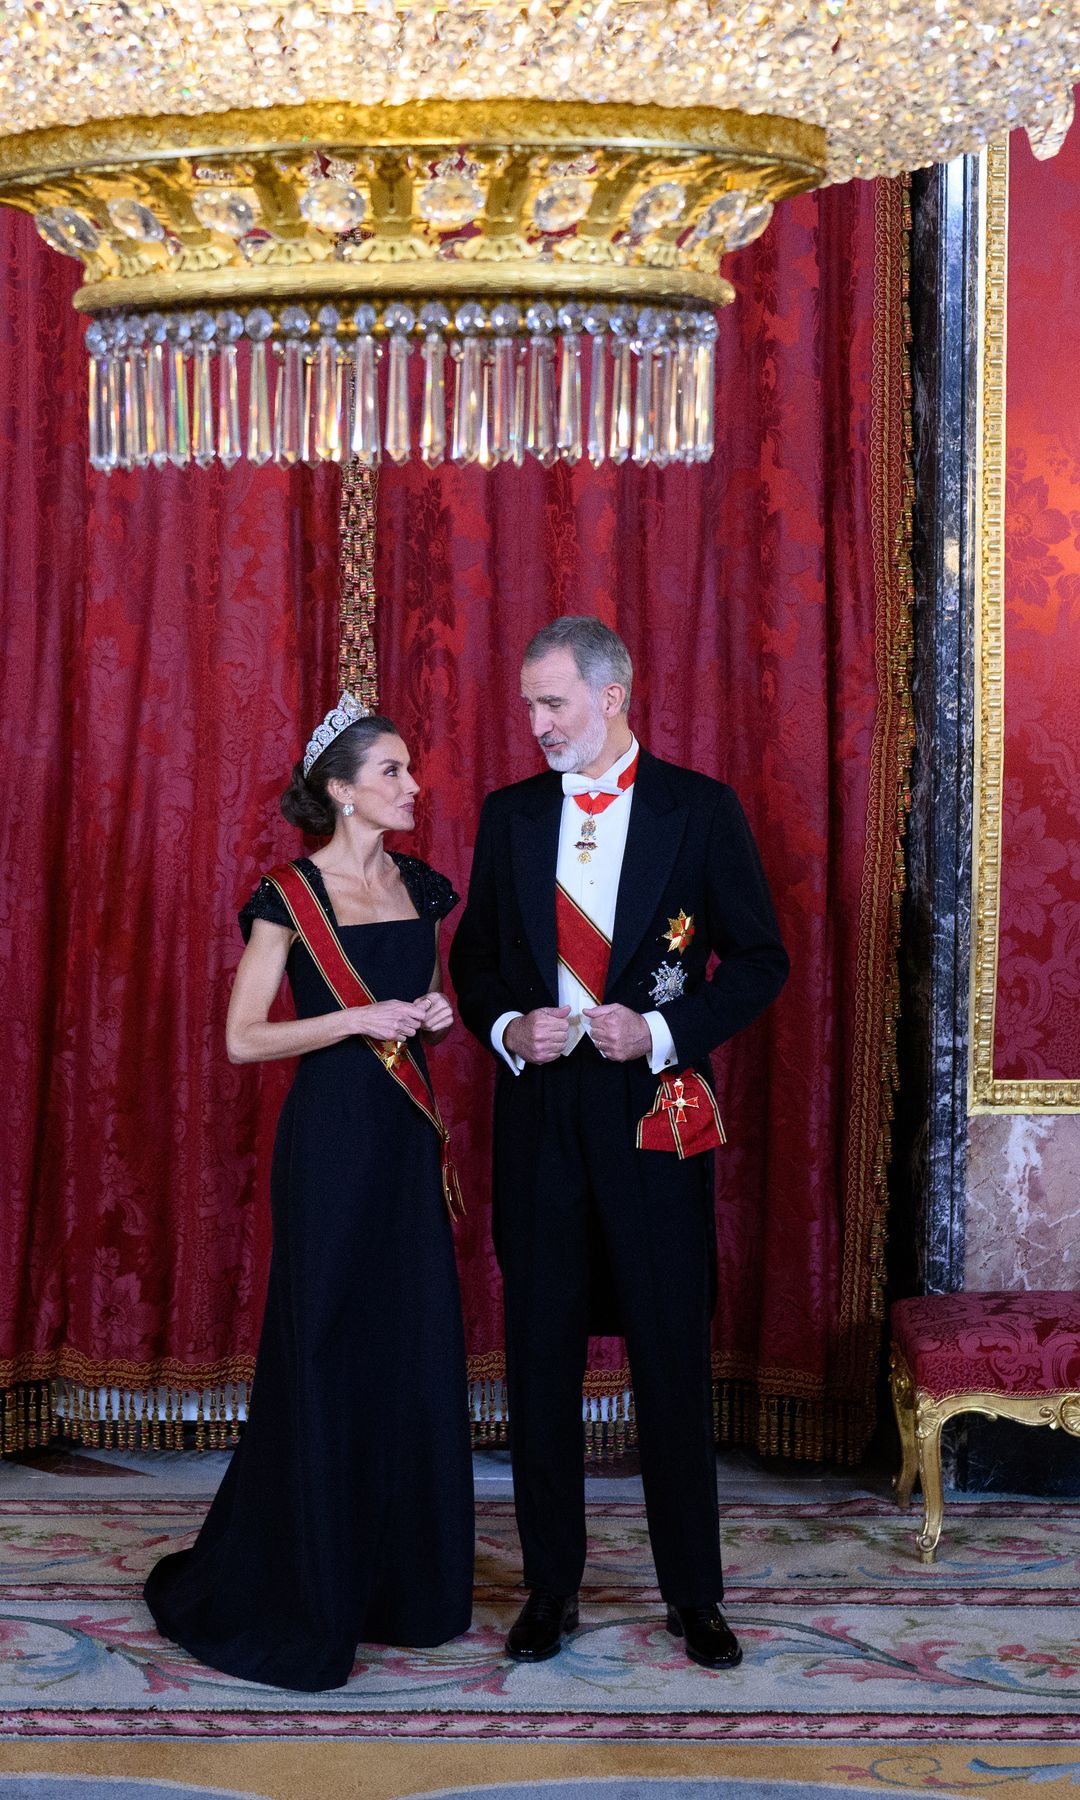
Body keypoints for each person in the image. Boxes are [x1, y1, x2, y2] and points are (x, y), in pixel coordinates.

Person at [449, 618, 788, 1672]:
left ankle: (696, 1596)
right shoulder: (507, 816)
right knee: (542, 1362)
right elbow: (478, 965)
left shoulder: (700, 809)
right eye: (529, 704)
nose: (535, 723)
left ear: (614, 693)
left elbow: (761, 960)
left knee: (670, 1361)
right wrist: (511, 1027)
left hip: (653, 1120)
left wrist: (666, 1033)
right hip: (540, 1119)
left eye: (552, 702)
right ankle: (552, 1589)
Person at [144, 694, 474, 1692]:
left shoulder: (421, 886)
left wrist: (433, 1014)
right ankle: (309, 1581)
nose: (413, 787)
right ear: (339, 789)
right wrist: (354, 1018)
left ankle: (403, 1585)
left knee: (411, 1341)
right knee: (328, 1345)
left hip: (405, 1146)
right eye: (392, 773)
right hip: (330, 1143)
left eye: (410, 772)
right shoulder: (289, 895)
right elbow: (246, 1039)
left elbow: (413, 1008)